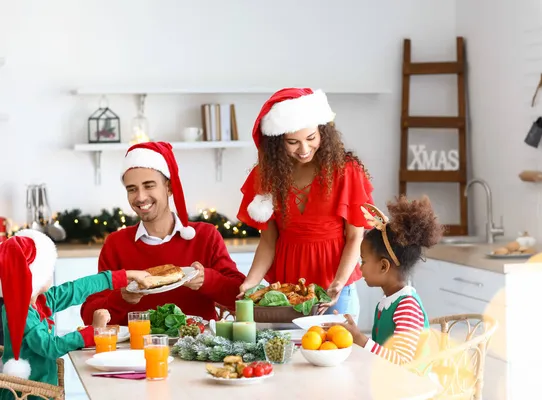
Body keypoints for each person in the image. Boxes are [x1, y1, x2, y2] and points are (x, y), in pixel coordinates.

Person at [236, 88, 373, 317]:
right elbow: (269, 242)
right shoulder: (268, 176)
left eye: (311, 138)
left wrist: (338, 283)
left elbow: (354, 236)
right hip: (287, 293)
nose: (304, 149)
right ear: (277, 142)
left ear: (322, 132)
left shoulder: (346, 171)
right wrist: (250, 282)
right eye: (292, 142)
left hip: (333, 290)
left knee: (333, 349)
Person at [80, 141, 245, 326]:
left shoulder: (204, 236)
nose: (140, 197)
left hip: (197, 349)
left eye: (149, 186)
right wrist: (122, 297)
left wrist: (206, 279)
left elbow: (240, 295)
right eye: (132, 189)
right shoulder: (116, 244)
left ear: (169, 187)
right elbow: (88, 314)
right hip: (136, 350)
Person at [0, 229, 149, 397]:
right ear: (36, 277)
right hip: (26, 393)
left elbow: (76, 289)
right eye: (49, 269)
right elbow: (50, 347)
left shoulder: (42, 300)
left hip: (43, 386)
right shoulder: (21, 313)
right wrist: (93, 331)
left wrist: (123, 276)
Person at [326, 195, 444, 365]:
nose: (360, 268)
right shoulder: (389, 302)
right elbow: (383, 351)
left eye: (363, 261)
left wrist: (359, 339)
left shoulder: (407, 307)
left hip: (411, 387)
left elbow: (403, 362)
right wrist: (354, 334)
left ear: (383, 266)